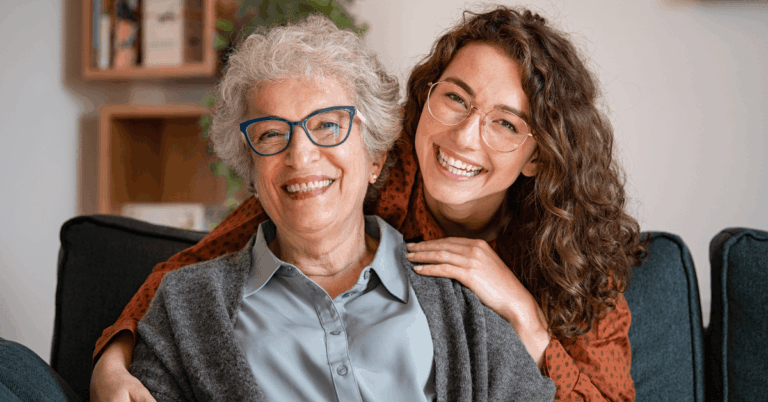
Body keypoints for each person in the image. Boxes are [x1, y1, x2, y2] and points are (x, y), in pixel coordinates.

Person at [92, 6, 644, 401]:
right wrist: (111, 365)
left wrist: (523, 314)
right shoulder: (367, 169)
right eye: (455, 98)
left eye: (505, 123)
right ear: (425, 98)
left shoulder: (576, 256)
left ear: (536, 156)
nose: (464, 138)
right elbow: (192, 273)